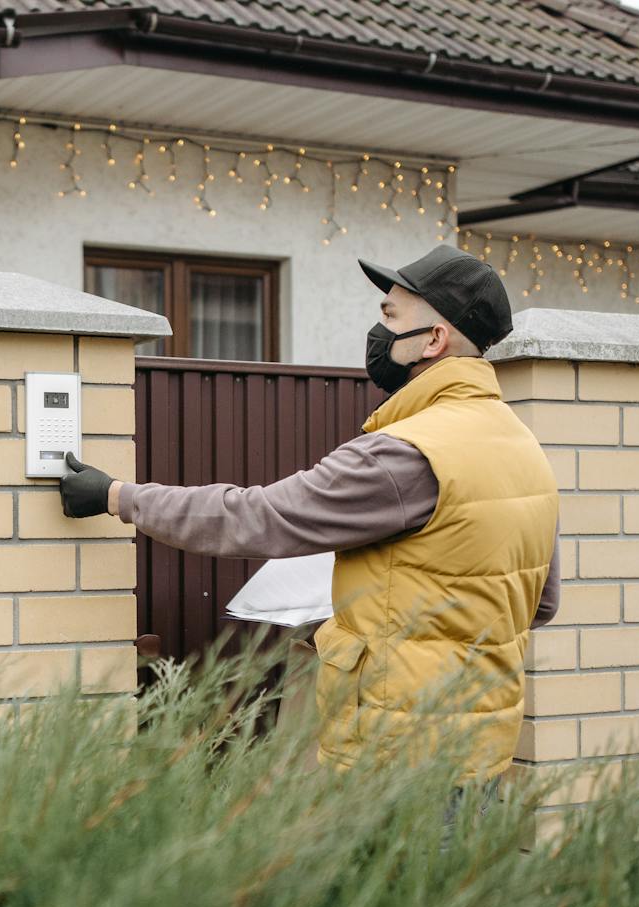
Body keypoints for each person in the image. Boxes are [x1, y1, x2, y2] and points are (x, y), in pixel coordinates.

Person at [59, 245, 561, 823]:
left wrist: (117, 496)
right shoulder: (525, 450)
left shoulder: (403, 455)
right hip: (481, 753)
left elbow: (257, 517)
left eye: (391, 316)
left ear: (434, 341)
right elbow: (538, 604)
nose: (378, 330)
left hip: (393, 761)